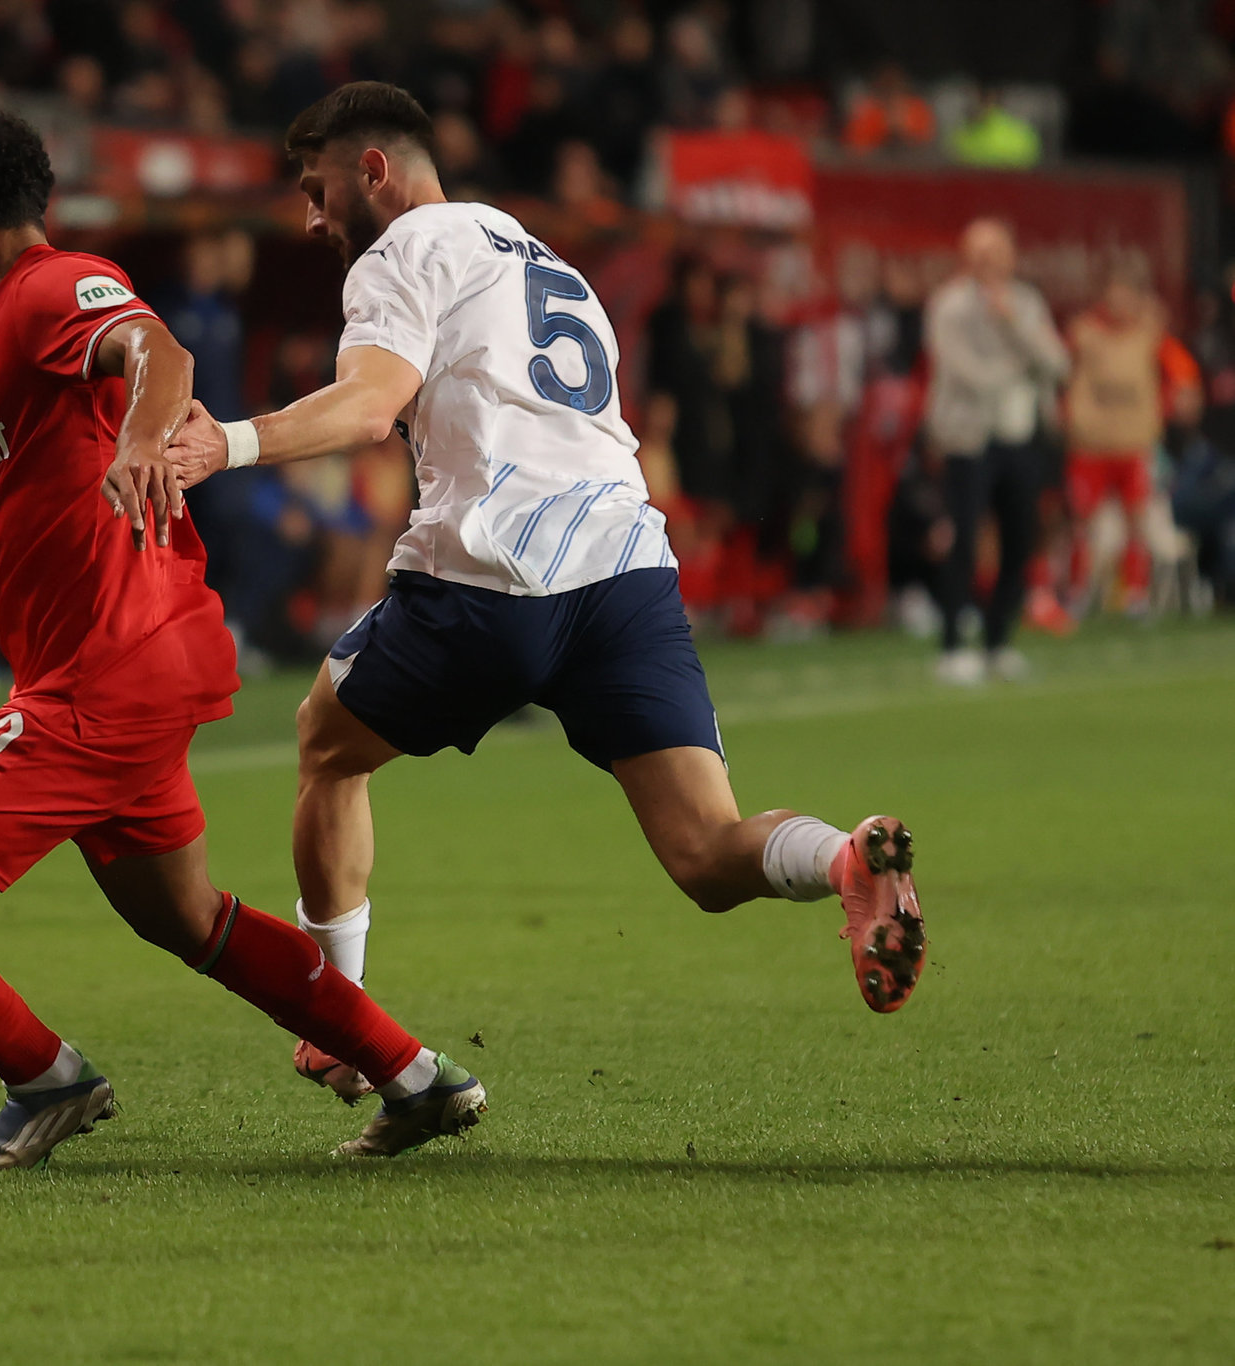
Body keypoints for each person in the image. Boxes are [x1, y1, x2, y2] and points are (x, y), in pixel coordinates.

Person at [161, 83, 927, 1104]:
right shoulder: (541, 257)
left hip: (494, 573)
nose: (312, 215)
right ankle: (845, 861)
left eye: (316, 187)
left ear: (372, 169)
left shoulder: (403, 251)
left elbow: (370, 402)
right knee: (704, 851)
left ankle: (338, 1021)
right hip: (626, 570)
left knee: (324, 743)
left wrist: (231, 441)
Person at [0, 106, 484, 1169]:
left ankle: (45, 1076)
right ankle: (417, 1073)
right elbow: (38, 555)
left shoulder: (44, 289)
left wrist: (146, 434)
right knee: (189, 919)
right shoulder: (8, 346)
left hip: (100, 684)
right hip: (133, 667)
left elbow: (155, 346)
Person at [923, 218, 1069, 683]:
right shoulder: (949, 305)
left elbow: (1058, 363)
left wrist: (1016, 327)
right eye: (980, 253)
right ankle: (951, 645)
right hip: (970, 437)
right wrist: (1023, 363)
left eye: (997, 252)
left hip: (1021, 435)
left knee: (1021, 538)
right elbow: (966, 373)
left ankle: (997, 641)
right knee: (964, 539)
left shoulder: (1026, 302)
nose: (989, 262)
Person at [1062, 257, 1196, 617]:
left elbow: (1183, 372)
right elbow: (1060, 373)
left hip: (1134, 444)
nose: (1120, 301)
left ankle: (1135, 595)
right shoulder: (1083, 332)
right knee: (1082, 522)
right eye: (1114, 292)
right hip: (1091, 444)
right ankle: (1077, 593)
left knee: (1137, 520)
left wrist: (1181, 393)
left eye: (1128, 294)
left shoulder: (1151, 334)